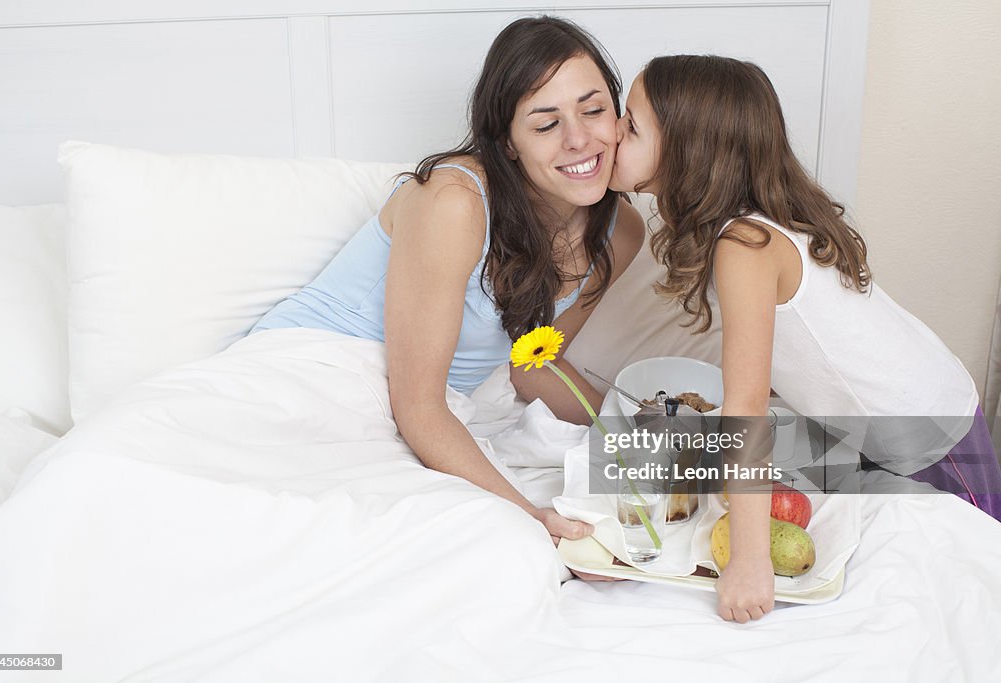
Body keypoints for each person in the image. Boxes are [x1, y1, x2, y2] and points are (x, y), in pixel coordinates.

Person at [608, 54, 1001, 621]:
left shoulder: (743, 245)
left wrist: (748, 563)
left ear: (689, 151)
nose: (612, 134)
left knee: (970, 584)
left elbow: (745, 407)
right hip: (904, 415)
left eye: (631, 125)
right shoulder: (747, 226)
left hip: (929, 431)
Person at [252, 17, 644, 560]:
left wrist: (638, 432)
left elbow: (529, 361)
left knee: (707, 465)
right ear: (508, 142)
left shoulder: (622, 232)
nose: (579, 138)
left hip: (436, 409)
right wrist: (531, 519)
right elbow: (417, 405)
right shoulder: (454, 201)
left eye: (593, 109)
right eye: (545, 123)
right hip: (320, 380)